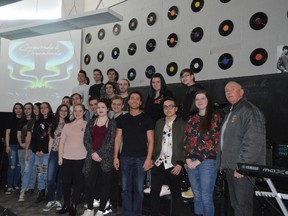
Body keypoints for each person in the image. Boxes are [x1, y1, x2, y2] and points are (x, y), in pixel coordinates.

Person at [216, 81, 266, 216]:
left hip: (241, 169)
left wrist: (243, 166)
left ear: (242, 92)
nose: (228, 92)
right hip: (230, 167)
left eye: (232, 89)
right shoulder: (231, 111)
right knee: (236, 205)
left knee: (242, 206)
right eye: (226, 90)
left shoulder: (248, 110)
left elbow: (253, 141)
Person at [114, 91, 154, 216]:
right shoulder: (122, 118)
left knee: (138, 190)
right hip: (125, 157)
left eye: (137, 99)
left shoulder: (147, 118)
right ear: (129, 101)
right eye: (132, 98)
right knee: (125, 189)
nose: (135, 100)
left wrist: (149, 159)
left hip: (141, 158)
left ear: (140, 102)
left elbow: (151, 141)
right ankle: (127, 213)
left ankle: (137, 213)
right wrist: (115, 156)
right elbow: (118, 138)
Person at [184, 90, 222, 216]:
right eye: (197, 99)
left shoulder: (215, 118)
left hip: (207, 162)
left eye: (202, 98)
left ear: (208, 100)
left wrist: (198, 161)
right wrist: (188, 159)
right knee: (197, 195)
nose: (199, 101)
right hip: (191, 163)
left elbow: (215, 142)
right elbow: (187, 140)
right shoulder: (191, 119)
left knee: (206, 196)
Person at [150, 97, 185, 216]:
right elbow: (155, 141)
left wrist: (181, 163)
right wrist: (152, 159)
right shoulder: (159, 123)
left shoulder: (182, 124)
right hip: (159, 162)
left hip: (174, 164)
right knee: (154, 192)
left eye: (171, 106)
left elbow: (186, 145)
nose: (168, 109)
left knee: (176, 194)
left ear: (176, 108)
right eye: (165, 106)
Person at [82, 98, 117, 216]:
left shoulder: (112, 123)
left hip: (105, 159)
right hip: (91, 158)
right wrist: (93, 153)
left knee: (105, 185)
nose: (100, 109)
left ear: (108, 109)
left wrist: (99, 154)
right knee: (89, 184)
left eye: (103, 107)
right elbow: (86, 139)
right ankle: (90, 209)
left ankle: (101, 210)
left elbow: (111, 141)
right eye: (98, 107)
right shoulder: (91, 122)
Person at [58, 104, 87, 216]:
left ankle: (74, 205)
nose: (77, 113)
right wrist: (60, 157)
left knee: (77, 183)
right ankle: (66, 204)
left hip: (80, 159)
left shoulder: (88, 125)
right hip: (66, 158)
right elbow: (62, 142)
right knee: (65, 183)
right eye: (75, 111)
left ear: (84, 112)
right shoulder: (67, 125)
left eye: (80, 111)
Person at [43, 104, 70, 212]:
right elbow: (50, 141)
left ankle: (58, 199)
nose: (63, 112)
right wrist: (50, 155)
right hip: (54, 153)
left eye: (65, 111)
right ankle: (51, 199)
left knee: (61, 179)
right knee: (50, 179)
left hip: (66, 154)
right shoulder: (52, 125)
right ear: (58, 111)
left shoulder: (69, 124)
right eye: (61, 110)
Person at [31, 102, 54, 203]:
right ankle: (41, 191)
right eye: (41, 108)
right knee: (39, 173)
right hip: (37, 153)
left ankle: (49, 192)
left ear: (49, 108)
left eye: (46, 107)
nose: (43, 109)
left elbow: (52, 139)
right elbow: (34, 138)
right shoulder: (37, 121)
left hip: (47, 153)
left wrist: (44, 151)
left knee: (45, 174)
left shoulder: (53, 120)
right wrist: (36, 150)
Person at [5, 102, 23, 194]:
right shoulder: (11, 120)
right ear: (14, 109)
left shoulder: (24, 120)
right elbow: (7, 133)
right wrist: (7, 146)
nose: (18, 110)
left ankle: (16, 185)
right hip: (12, 145)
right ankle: (9, 186)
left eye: (20, 108)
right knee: (12, 166)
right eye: (16, 108)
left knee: (19, 167)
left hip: (21, 147)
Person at [17, 102, 34, 201]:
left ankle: (30, 188)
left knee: (31, 170)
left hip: (31, 148)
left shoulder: (34, 121)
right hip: (22, 147)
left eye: (29, 108)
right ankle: (24, 187)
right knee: (24, 169)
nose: (27, 110)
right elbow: (18, 134)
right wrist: (21, 143)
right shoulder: (21, 121)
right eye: (25, 108)